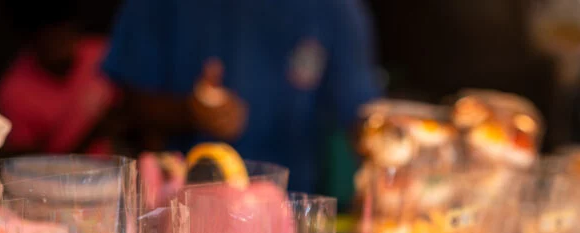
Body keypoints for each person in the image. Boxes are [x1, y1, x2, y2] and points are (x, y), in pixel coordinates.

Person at [102, 0, 382, 193]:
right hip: (178, 216)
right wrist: (191, 111)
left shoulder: (334, 9)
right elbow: (126, 104)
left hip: (287, 216)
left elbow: (361, 116)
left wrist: (392, 152)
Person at [0, 8, 118, 154]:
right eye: (51, 37)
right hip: (59, 174)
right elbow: (26, 164)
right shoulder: (13, 93)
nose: (61, 43)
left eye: (66, 33)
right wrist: (94, 132)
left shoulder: (102, 53)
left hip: (116, 160)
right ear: (33, 40)